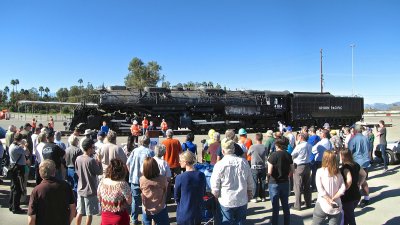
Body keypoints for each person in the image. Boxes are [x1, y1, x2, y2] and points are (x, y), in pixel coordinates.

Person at [211, 138, 253, 224]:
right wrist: (250, 193)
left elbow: (215, 185)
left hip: (226, 200)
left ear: (223, 151)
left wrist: (215, 197)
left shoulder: (219, 165)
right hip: (241, 199)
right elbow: (250, 181)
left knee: (227, 222)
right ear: (234, 150)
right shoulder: (243, 162)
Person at [28, 160, 76, 225]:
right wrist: (68, 222)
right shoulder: (66, 186)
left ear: (40, 173)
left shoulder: (37, 190)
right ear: (54, 171)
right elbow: (73, 208)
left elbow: (31, 217)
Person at [127, 136, 155, 225]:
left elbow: (127, 163)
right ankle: (145, 219)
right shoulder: (150, 152)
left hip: (134, 179)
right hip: (146, 180)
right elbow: (153, 166)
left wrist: (131, 172)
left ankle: (134, 219)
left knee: (135, 201)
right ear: (148, 142)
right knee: (146, 200)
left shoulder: (134, 151)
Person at [312, 150, 345, 225]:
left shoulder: (320, 171)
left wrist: (329, 199)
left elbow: (320, 190)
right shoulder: (338, 172)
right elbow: (342, 188)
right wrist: (334, 197)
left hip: (322, 203)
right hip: (336, 204)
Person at [75, 138, 103, 225]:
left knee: (79, 212)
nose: (94, 149)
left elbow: (77, 171)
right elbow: (99, 172)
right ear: (89, 148)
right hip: (90, 190)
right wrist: (100, 161)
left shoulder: (78, 158)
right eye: (93, 147)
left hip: (80, 189)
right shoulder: (91, 160)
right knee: (89, 214)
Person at [267, 138, 294, 225]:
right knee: (285, 205)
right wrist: (287, 175)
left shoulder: (273, 156)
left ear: (277, 145)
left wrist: (267, 180)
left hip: (274, 183)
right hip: (285, 182)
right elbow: (292, 170)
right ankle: (287, 223)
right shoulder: (288, 155)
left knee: (275, 207)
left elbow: (269, 172)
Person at [175, 151, 206, 225]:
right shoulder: (201, 175)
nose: (179, 162)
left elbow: (176, 197)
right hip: (197, 212)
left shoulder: (180, 177)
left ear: (185, 162)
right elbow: (203, 192)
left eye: (180, 160)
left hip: (184, 212)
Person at [97, 159, 132, 225]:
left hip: (105, 216)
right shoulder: (122, 184)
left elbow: (99, 197)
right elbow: (129, 201)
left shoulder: (102, 182)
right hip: (119, 217)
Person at [339, 149, 367, 225]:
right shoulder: (356, 164)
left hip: (348, 197)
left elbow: (349, 180)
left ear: (343, 156)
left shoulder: (345, 168)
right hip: (356, 194)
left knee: (350, 218)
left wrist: (343, 190)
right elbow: (364, 174)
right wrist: (359, 184)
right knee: (347, 216)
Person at [347, 124, 371, 208]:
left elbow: (349, 152)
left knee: (356, 182)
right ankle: (367, 198)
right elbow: (369, 149)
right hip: (365, 162)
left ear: (355, 130)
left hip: (357, 163)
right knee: (364, 181)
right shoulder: (366, 138)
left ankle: (356, 200)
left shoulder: (353, 139)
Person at [140, 157, 169, 225]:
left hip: (146, 208)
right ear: (156, 167)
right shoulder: (162, 179)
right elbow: (165, 190)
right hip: (160, 208)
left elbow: (141, 190)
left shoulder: (142, 179)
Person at [291, 133, 312, 210]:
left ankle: (297, 205)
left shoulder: (299, 146)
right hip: (307, 165)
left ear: (302, 137)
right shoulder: (309, 145)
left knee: (298, 186)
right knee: (307, 186)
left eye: (299, 136)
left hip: (299, 166)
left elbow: (292, 155)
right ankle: (308, 203)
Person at [8, 133, 27, 214]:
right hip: (18, 169)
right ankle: (16, 207)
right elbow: (26, 152)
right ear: (19, 139)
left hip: (14, 167)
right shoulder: (16, 148)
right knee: (18, 188)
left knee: (13, 187)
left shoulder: (12, 146)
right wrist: (24, 145)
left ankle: (11, 205)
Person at [247, 133, 267, 202]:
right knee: (263, 182)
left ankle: (254, 197)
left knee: (254, 182)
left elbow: (248, 154)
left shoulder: (252, 147)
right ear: (262, 138)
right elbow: (266, 155)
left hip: (254, 167)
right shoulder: (264, 147)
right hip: (262, 167)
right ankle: (263, 197)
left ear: (256, 139)